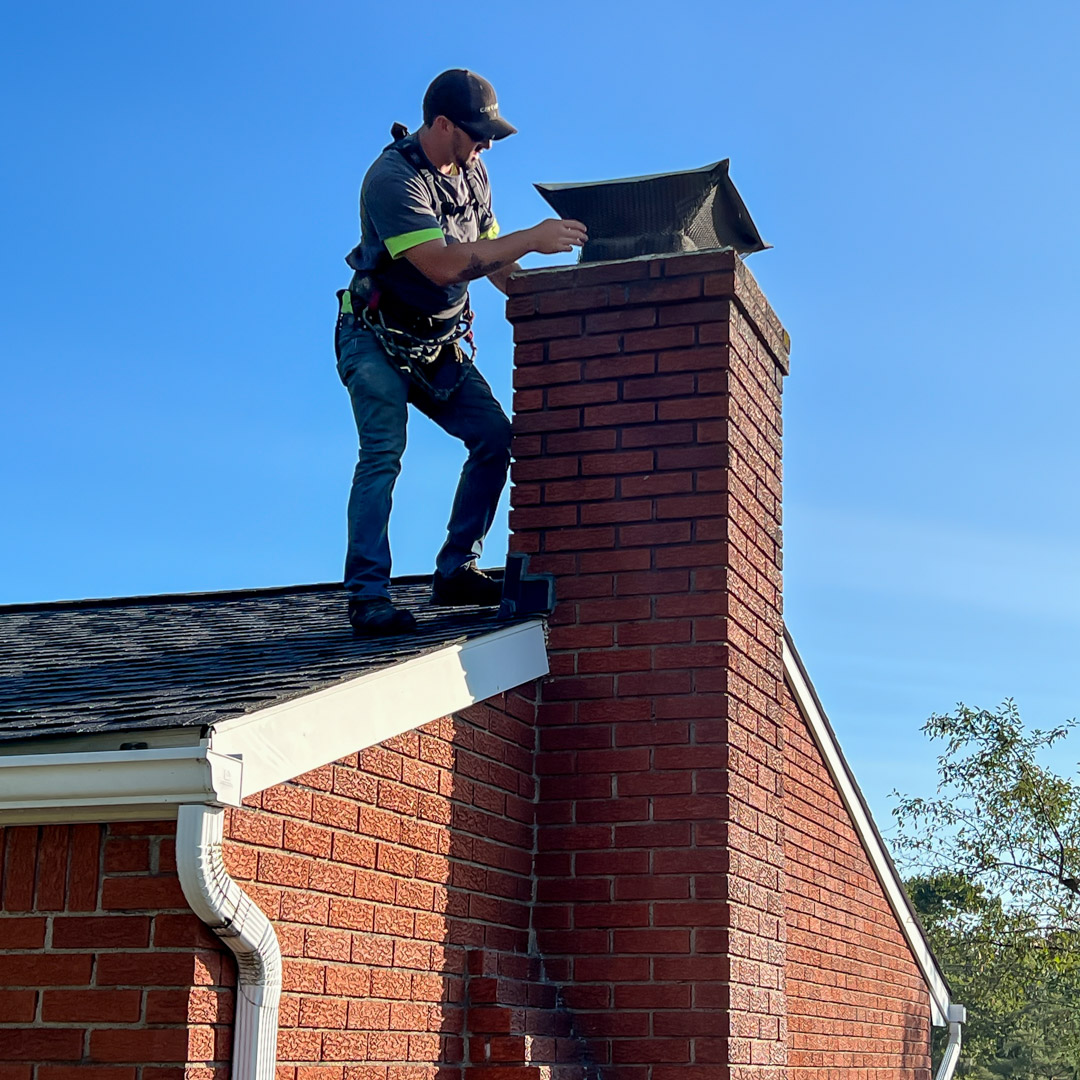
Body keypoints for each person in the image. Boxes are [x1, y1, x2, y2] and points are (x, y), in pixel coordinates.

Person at [335, 69, 587, 635]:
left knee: (495, 435)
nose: (487, 144)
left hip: (437, 344)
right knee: (383, 454)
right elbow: (445, 264)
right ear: (441, 123)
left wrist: (542, 298)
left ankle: (455, 570)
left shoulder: (475, 174)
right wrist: (532, 237)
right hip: (375, 337)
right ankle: (368, 598)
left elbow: (488, 254)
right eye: (477, 132)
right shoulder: (392, 180)